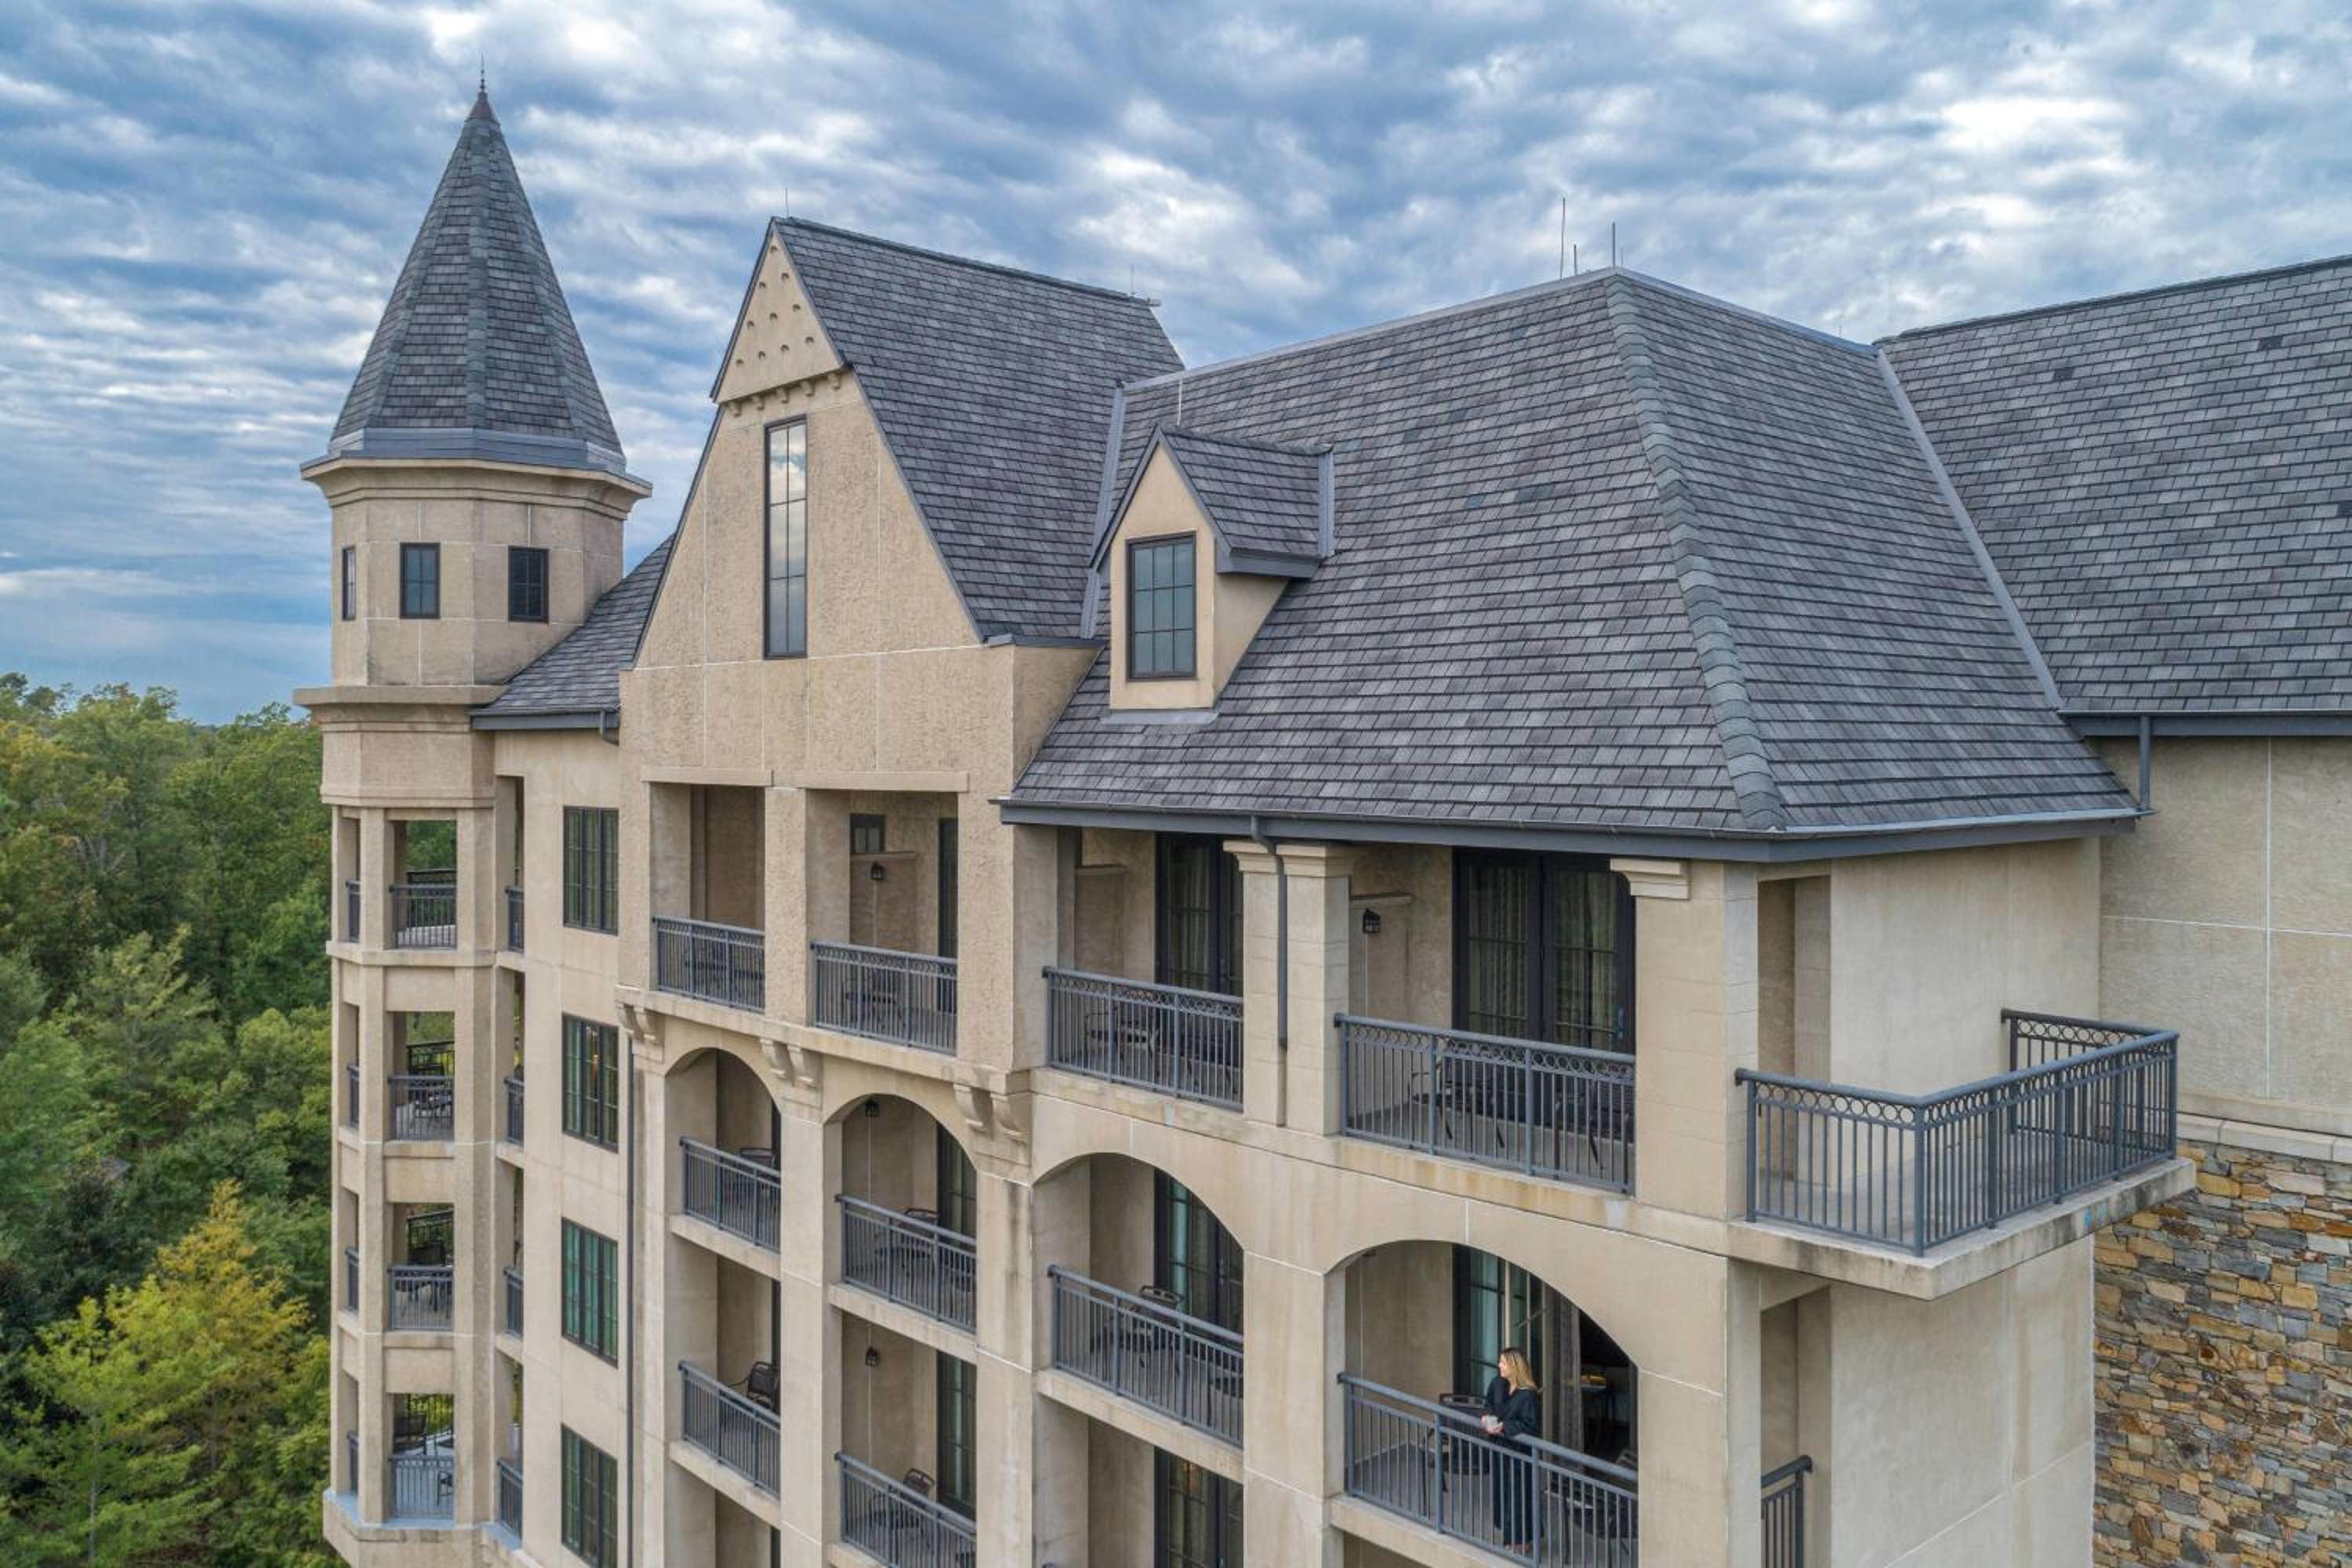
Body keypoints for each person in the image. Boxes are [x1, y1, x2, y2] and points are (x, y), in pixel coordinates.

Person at [1480, 1347, 1541, 1552]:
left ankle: (1523, 1542)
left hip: (1520, 1456)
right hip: (1500, 1451)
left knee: (1520, 1498)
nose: (1499, 1366)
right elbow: (1488, 1403)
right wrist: (1486, 1417)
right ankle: (1510, 1539)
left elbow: (1531, 1426)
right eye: (1500, 1362)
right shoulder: (1497, 1384)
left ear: (1514, 1367)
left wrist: (1505, 1427)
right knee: (1503, 1495)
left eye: (1503, 1363)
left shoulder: (1528, 1395)